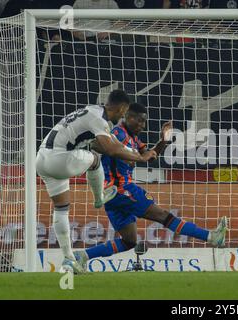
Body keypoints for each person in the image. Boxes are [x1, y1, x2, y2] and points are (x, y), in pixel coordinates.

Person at [73, 102, 229, 271]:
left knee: (129, 241)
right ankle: (211, 237)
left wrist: (163, 141)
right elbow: (99, 144)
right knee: (164, 217)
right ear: (129, 117)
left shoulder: (133, 139)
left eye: (144, 122)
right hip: (121, 189)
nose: (142, 125)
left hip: (113, 196)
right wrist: (120, 154)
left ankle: (82, 256)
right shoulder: (117, 132)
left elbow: (150, 155)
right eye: (139, 121)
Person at [36, 89, 154, 273]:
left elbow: (113, 142)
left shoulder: (91, 112)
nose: (123, 117)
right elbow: (111, 149)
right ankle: (100, 197)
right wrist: (141, 158)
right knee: (95, 160)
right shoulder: (98, 119)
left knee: (61, 209)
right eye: (124, 112)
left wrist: (133, 154)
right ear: (122, 108)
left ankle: (69, 260)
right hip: (60, 158)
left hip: (42, 158)